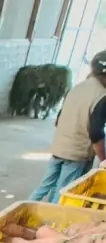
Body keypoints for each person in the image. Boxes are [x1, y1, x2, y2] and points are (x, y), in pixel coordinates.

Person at [30, 53, 106, 203]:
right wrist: (104, 159)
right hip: (77, 155)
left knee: (45, 187)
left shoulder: (77, 88)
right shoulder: (101, 96)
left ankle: (23, 212)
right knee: (63, 192)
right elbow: (96, 133)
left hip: (59, 149)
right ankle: (51, 221)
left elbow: (58, 120)